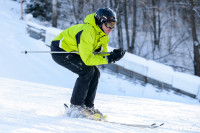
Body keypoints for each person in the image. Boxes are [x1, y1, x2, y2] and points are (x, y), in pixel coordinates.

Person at [50, 8, 126, 119]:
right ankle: (75, 106)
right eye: (109, 24)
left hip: (74, 51)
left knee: (96, 72)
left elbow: (101, 55)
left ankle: (87, 106)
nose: (111, 28)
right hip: (60, 51)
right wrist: (109, 59)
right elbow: (88, 60)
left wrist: (113, 55)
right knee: (87, 71)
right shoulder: (88, 31)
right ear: (101, 22)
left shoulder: (103, 34)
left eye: (114, 24)